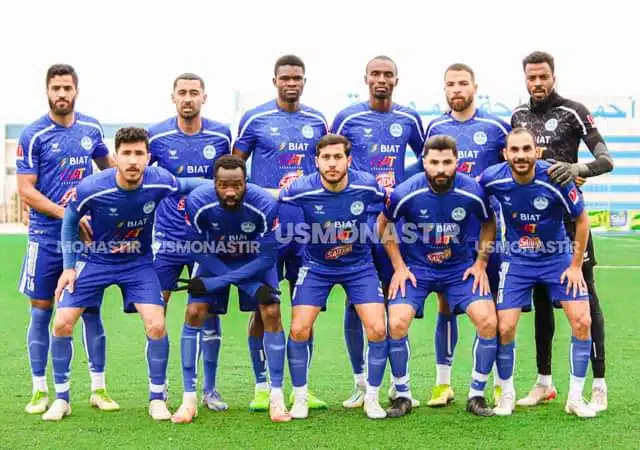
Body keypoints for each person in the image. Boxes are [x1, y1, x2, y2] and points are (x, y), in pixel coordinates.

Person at [45, 127, 208, 421]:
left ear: (148, 157)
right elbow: (69, 221)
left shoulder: (160, 180)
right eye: (127, 153)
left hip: (138, 264)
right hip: (95, 261)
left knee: (156, 324)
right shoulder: (92, 187)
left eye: (139, 153)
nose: (133, 160)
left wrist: (231, 186)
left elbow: (189, 184)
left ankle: (157, 398)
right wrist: (69, 267)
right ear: (116, 157)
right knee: (62, 322)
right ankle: (62, 399)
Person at [511, 51, 614, 411]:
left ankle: (598, 384)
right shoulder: (518, 116)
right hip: (537, 228)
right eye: (532, 77)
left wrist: (576, 168)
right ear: (525, 79)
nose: (538, 83)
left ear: (553, 76)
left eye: (543, 76)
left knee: (586, 298)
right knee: (542, 301)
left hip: (570, 223)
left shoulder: (574, 112)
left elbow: (606, 160)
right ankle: (544, 383)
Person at [16, 63, 118, 415]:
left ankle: (98, 388)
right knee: (41, 311)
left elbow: (111, 171)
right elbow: (25, 189)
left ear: (76, 90)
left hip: (85, 239)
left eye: (67, 88)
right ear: (47, 91)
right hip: (44, 237)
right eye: (56, 88)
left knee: (90, 310)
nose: (62, 94)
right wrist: (67, 215)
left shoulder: (91, 128)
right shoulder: (33, 135)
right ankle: (39, 390)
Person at [233, 54, 328, 411]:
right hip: (266, 232)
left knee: (305, 310)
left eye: (297, 78)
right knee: (264, 309)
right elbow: (234, 169)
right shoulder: (255, 119)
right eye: (285, 78)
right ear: (274, 81)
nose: (291, 83)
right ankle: (262, 386)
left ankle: (303, 386)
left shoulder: (317, 120)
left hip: (307, 230)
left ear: (304, 81)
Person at [479, 127, 596, 418]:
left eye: (526, 149)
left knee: (582, 321)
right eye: (514, 150)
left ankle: (575, 398)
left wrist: (575, 266)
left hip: (558, 259)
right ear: (505, 153)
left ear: (537, 152)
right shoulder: (493, 178)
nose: (520, 155)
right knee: (505, 327)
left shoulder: (555, 178)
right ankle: (506, 394)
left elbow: (582, 220)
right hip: (517, 262)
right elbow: (471, 197)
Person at [331, 55, 424, 408]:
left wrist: (403, 188)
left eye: (387, 74)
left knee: (397, 299)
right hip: (355, 222)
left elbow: (426, 159)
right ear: (365, 78)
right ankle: (360, 382)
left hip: (394, 223)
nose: (381, 79)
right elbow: (329, 159)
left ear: (396, 80)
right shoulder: (347, 118)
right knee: (356, 301)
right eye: (375, 74)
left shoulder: (409, 119)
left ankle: (400, 384)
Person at [381, 135, 498, 418]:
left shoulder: (473, 191)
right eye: (434, 162)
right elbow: (384, 224)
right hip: (418, 270)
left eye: (447, 162)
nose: (441, 169)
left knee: (488, 321)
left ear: (457, 162)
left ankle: (476, 394)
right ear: (424, 162)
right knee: (396, 322)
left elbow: (489, 223)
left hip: (459, 269)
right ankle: (402, 395)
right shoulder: (405, 192)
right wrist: (399, 266)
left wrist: (481, 263)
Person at [280, 134, 389, 420]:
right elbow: (273, 201)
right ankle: (300, 398)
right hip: (317, 267)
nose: (332, 164)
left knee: (378, 329)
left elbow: (391, 204)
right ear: (316, 161)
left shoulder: (367, 185)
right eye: (326, 158)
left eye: (337, 157)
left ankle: (372, 398)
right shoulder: (301, 188)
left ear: (348, 160)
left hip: (359, 267)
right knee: (299, 329)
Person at [420, 63, 510, 407]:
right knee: (445, 303)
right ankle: (443, 384)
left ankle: (498, 384)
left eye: (462, 83)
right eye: (450, 84)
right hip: (450, 233)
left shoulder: (496, 127)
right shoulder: (436, 127)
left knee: (496, 310)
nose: (456, 89)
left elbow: (516, 164)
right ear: (444, 89)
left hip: (488, 228)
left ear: (475, 87)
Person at [176, 155, 292, 423]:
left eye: (237, 185)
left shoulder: (264, 204)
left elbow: (267, 258)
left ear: (246, 183)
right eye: (223, 185)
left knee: (271, 311)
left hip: (254, 261)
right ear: (214, 183)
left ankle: (275, 396)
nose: (230, 192)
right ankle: (189, 398)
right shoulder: (197, 202)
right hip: (213, 258)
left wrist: (218, 284)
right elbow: (196, 249)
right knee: (195, 311)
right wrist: (236, 283)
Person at [148, 72, 231, 412]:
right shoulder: (156, 135)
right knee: (157, 310)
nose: (187, 98)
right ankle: (160, 386)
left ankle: (209, 389)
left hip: (206, 238)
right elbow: (142, 180)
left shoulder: (221, 135)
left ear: (204, 97)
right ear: (173, 97)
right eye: (181, 92)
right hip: (167, 238)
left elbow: (230, 179)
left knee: (204, 310)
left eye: (194, 92)